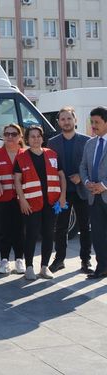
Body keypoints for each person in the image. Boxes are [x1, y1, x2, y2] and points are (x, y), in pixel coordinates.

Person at [14, 126, 66, 281]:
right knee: (30, 234)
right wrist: (22, 200)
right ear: (27, 139)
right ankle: (29, 267)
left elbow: (61, 176)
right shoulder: (22, 157)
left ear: (43, 138)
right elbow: (17, 180)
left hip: (51, 203)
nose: (35, 139)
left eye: (38, 136)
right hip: (31, 203)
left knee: (49, 234)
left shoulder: (52, 155)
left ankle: (44, 267)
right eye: (32, 136)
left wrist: (62, 196)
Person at [47, 107, 93, 274]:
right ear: (58, 122)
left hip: (82, 190)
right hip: (62, 192)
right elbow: (51, 168)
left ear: (75, 120)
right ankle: (59, 260)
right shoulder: (52, 143)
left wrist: (81, 177)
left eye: (69, 118)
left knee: (85, 227)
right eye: (63, 119)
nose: (66, 122)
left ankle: (86, 261)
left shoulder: (87, 141)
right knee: (60, 227)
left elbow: (90, 165)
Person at [0, 124, 27, 274]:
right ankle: (4, 260)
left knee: (19, 229)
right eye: (7, 134)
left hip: (21, 199)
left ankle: (19, 259)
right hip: (2, 199)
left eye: (14, 134)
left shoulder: (25, 154)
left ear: (20, 136)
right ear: (3, 136)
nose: (10, 137)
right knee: (4, 229)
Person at [80, 106, 107, 279]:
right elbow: (83, 166)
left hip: (105, 191)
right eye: (92, 122)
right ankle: (102, 267)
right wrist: (87, 182)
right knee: (97, 235)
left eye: (97, 122)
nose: (93, 125)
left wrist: (105, 185)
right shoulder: (90, 143)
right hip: (94, 197)